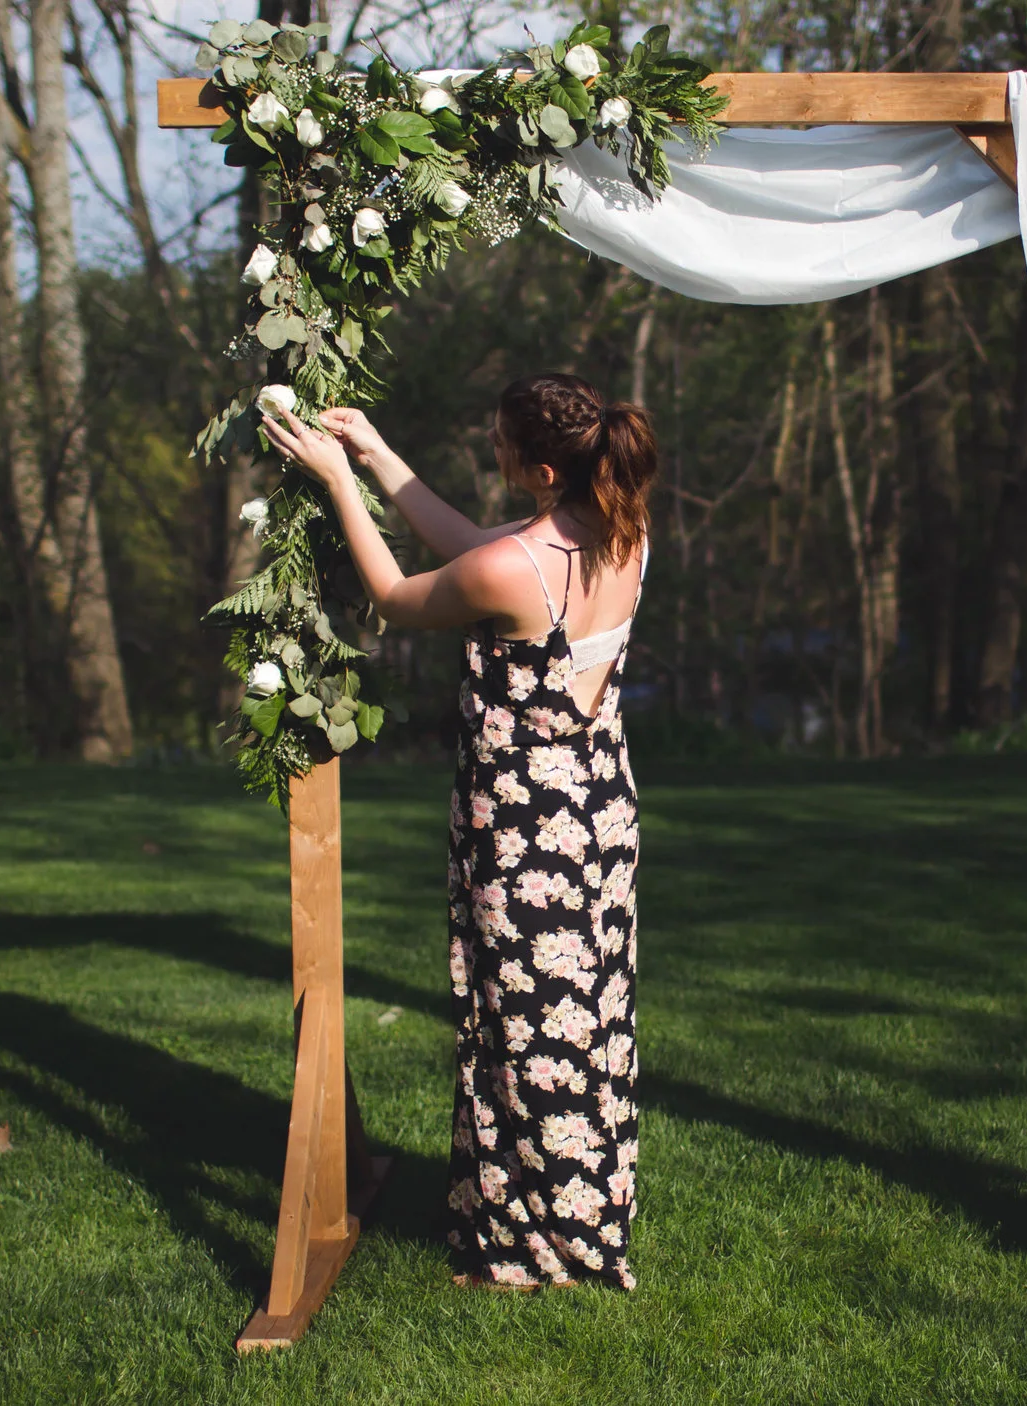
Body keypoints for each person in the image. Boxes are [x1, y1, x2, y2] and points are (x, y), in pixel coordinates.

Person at [261, 373, 656, 1291]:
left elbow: (399, 596)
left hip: (527, 829)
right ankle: (582, 1210)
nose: (492, 452)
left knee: (524, 1027)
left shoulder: (510, 569)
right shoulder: (622, 530)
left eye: (500, 444)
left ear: (540, 467)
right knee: (585, 1016)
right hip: (599, 807)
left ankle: (539, 1250)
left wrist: (335, 483)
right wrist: (375, 452)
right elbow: (485, 548)